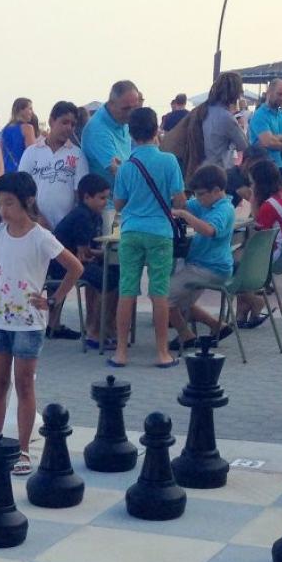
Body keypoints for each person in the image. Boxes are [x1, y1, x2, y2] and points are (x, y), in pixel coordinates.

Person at [0, 172, 83, 475]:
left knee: (23, 386)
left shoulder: (40, 236)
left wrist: (54, 299)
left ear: (28, 201)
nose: (3, 210)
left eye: (9, 203)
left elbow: (75, 267)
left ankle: (22, 450)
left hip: (29, 324)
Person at [112, 106, 185, 369]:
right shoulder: (169, 161)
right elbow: (179, 199)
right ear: (156, 130)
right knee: (159, 292)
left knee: (127, 290)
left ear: (131, 133)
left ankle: (121, 351)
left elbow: (119, 204)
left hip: (131, 231)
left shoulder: (126, 166)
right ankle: (162, 352)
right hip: (160, 232)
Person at [165, 164, 238, 351]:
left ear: (216, 191)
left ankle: (185, 335)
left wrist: (183, 215)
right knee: (181, 301)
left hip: (209, 268)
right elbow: (184, 205)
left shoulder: (224, 209)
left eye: (200, 194)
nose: (197, 199)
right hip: (204, 266)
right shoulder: (208, 202)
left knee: (161, 296)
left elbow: (208, 230)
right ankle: (217, 326)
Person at [52, 174, 112, 347]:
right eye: (101, 198)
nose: (105, 202)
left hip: (75, 262)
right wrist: (108, 253)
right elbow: (84, 253)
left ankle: (96, 326)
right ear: (86, 197)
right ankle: (96, 330)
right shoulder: (81, 216)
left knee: (108, 274)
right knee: (109, 279)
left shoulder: (94, 215)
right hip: (62, 266)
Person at [18, 100, 86, 229]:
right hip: (34, 226)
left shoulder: (78, 155)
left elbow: (80, 195)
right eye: (64, 122)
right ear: (51, 121)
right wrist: (37, 217)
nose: (68, 128)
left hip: (66, 228)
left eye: (72, 124)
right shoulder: (32, 152)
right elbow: (21, 189)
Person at [82, 80, 141, 180]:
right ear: (111, 104)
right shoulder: (97, 130)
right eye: (126, 109)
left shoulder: (122, 120)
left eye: (134, 108)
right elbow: (118, 173)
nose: (131, 113)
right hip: (108, 194)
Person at [201, 73, 250, 170]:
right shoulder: (226, 117)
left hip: (203, 165)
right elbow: (244, 145)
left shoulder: (205, 110)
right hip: (221, 169)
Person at [1, 98, 38, 171]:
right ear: (21, 110)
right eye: (30, 109)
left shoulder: (5, 129)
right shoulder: (27, 128)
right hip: (21, 171)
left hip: (6, 171)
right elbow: (32, 154)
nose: (32, 112)